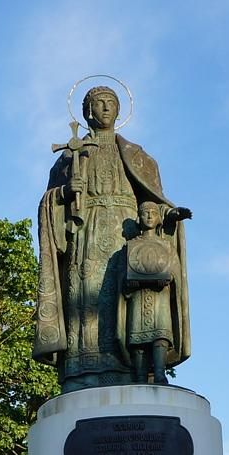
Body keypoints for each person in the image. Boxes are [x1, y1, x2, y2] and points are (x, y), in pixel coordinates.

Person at [34, 85, 192, 391]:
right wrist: (66, 193)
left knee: (131, 303)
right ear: (87, 112)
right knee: (88, 297)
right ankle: (86, 370)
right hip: (87, 236)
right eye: (98, 103)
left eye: (110, 103)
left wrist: (170, 216)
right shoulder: (71, 155)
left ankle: (137, 368)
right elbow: (49, 203)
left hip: (127, 237)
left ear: (119, 110)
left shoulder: (137, 156)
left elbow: (154, 202)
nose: (105, 108)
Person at [121, 201, 191, 384]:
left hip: (160, 298)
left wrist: (168, 279)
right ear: (139, 218)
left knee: (160, 336)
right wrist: (131, 283)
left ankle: (160, 373)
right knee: (138, 340)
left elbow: (175, 273)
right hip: (138, 298)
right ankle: (139, 375)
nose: (150, 216)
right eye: (145, 213)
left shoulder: (165, 246)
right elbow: (123, 278)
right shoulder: (130, 246)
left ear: (159, 218)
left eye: (153, 212)